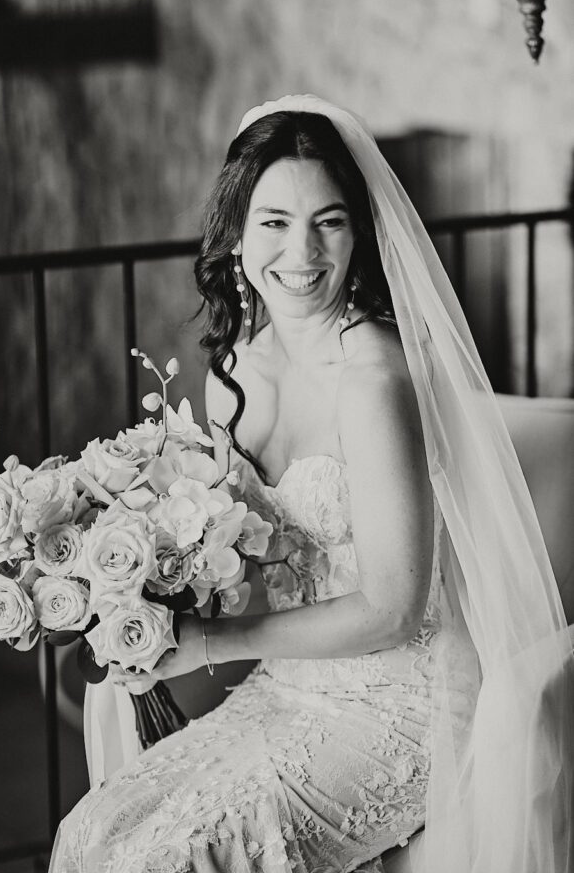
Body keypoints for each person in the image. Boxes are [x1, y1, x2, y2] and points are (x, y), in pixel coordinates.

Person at [49, 95, 573, 873]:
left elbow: (394, 610)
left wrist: (207, 645)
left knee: (169, 859)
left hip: (400, 704)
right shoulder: (237, 366)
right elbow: (232, 545)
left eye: (328, 220)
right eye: (273, 222)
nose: (302, 252)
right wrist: (137, 587)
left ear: (359, 233)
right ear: (235, 232)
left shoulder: (372, 379)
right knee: (92, 833)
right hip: (289, 683)